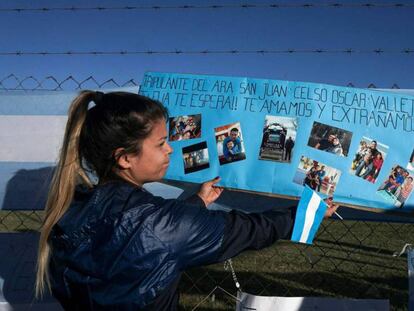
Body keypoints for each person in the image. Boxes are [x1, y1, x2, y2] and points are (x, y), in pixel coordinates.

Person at [35, 91, 338, 310]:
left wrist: (196, 205)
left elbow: (143, 236)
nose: (169, 150)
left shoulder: (68, 211)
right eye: (161, 143)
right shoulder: (158, 224)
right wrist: (305, 212)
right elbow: (247, 229)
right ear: (125, 158)